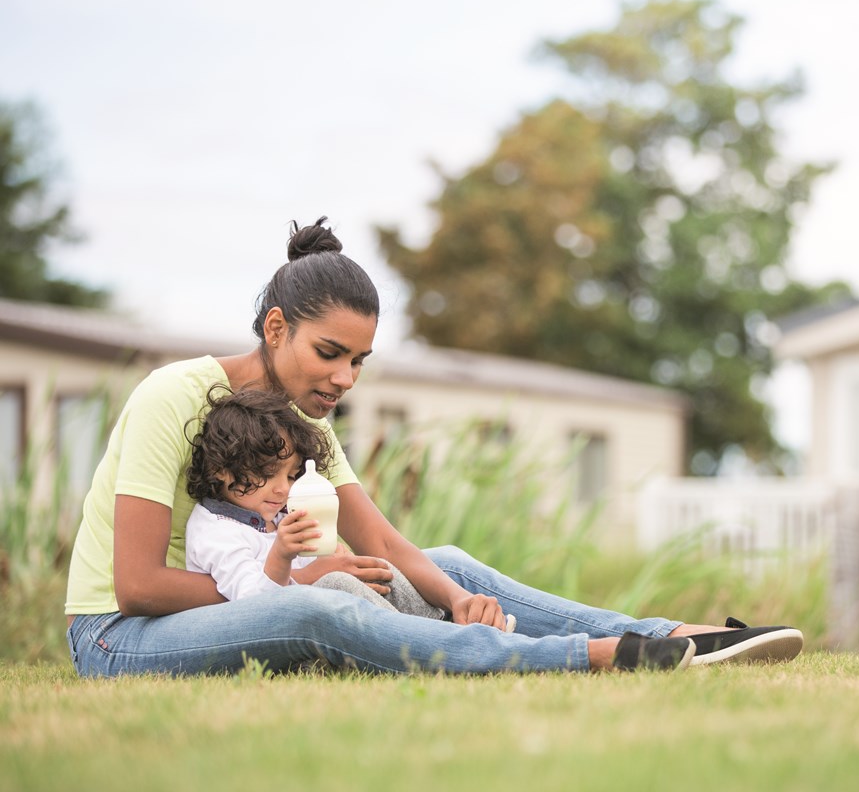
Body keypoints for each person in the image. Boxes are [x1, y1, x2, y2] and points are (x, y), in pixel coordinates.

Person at [64, 216, 804, 677]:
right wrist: (302, 574)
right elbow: (137, 585)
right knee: (319, 611)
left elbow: (380, 537)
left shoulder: (305, 427)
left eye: (359, 361)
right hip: (120, 637)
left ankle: (674, 636)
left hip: (228, 603)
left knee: (442, 562)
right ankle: (596, 657)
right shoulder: (175, 395)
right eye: (330, 353)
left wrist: (457, 597)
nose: (345, 378)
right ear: (277, 328)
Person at [183, 383, 478, 625]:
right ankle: (421, 641)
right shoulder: (215, 530)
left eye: (290, 474)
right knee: (338, 584)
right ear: (221, 468)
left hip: (308, 617)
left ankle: (443, 624)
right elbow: (253, 604)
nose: (283, 488)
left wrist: (335, 557)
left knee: (377, 570)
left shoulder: (275, 515)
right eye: (267, 473)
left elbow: (318, 568)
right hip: (264, 635)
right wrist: (284, 556)